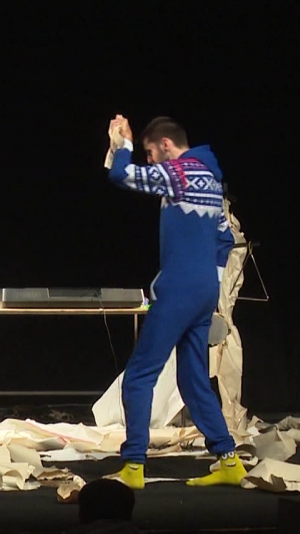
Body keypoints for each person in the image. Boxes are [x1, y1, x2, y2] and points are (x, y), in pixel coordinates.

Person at [104, 115, 247, 488]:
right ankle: (229, 461)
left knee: (139, 376)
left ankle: (133, 466)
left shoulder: (179, 173)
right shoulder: (210, 180)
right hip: (203, 292)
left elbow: (122, 175)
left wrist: (122, 143)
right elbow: (225, 238)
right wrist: (211, 283)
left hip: (180, 290)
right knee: (193, 379)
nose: (150, 161)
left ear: (166, 145)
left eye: (151, 153)